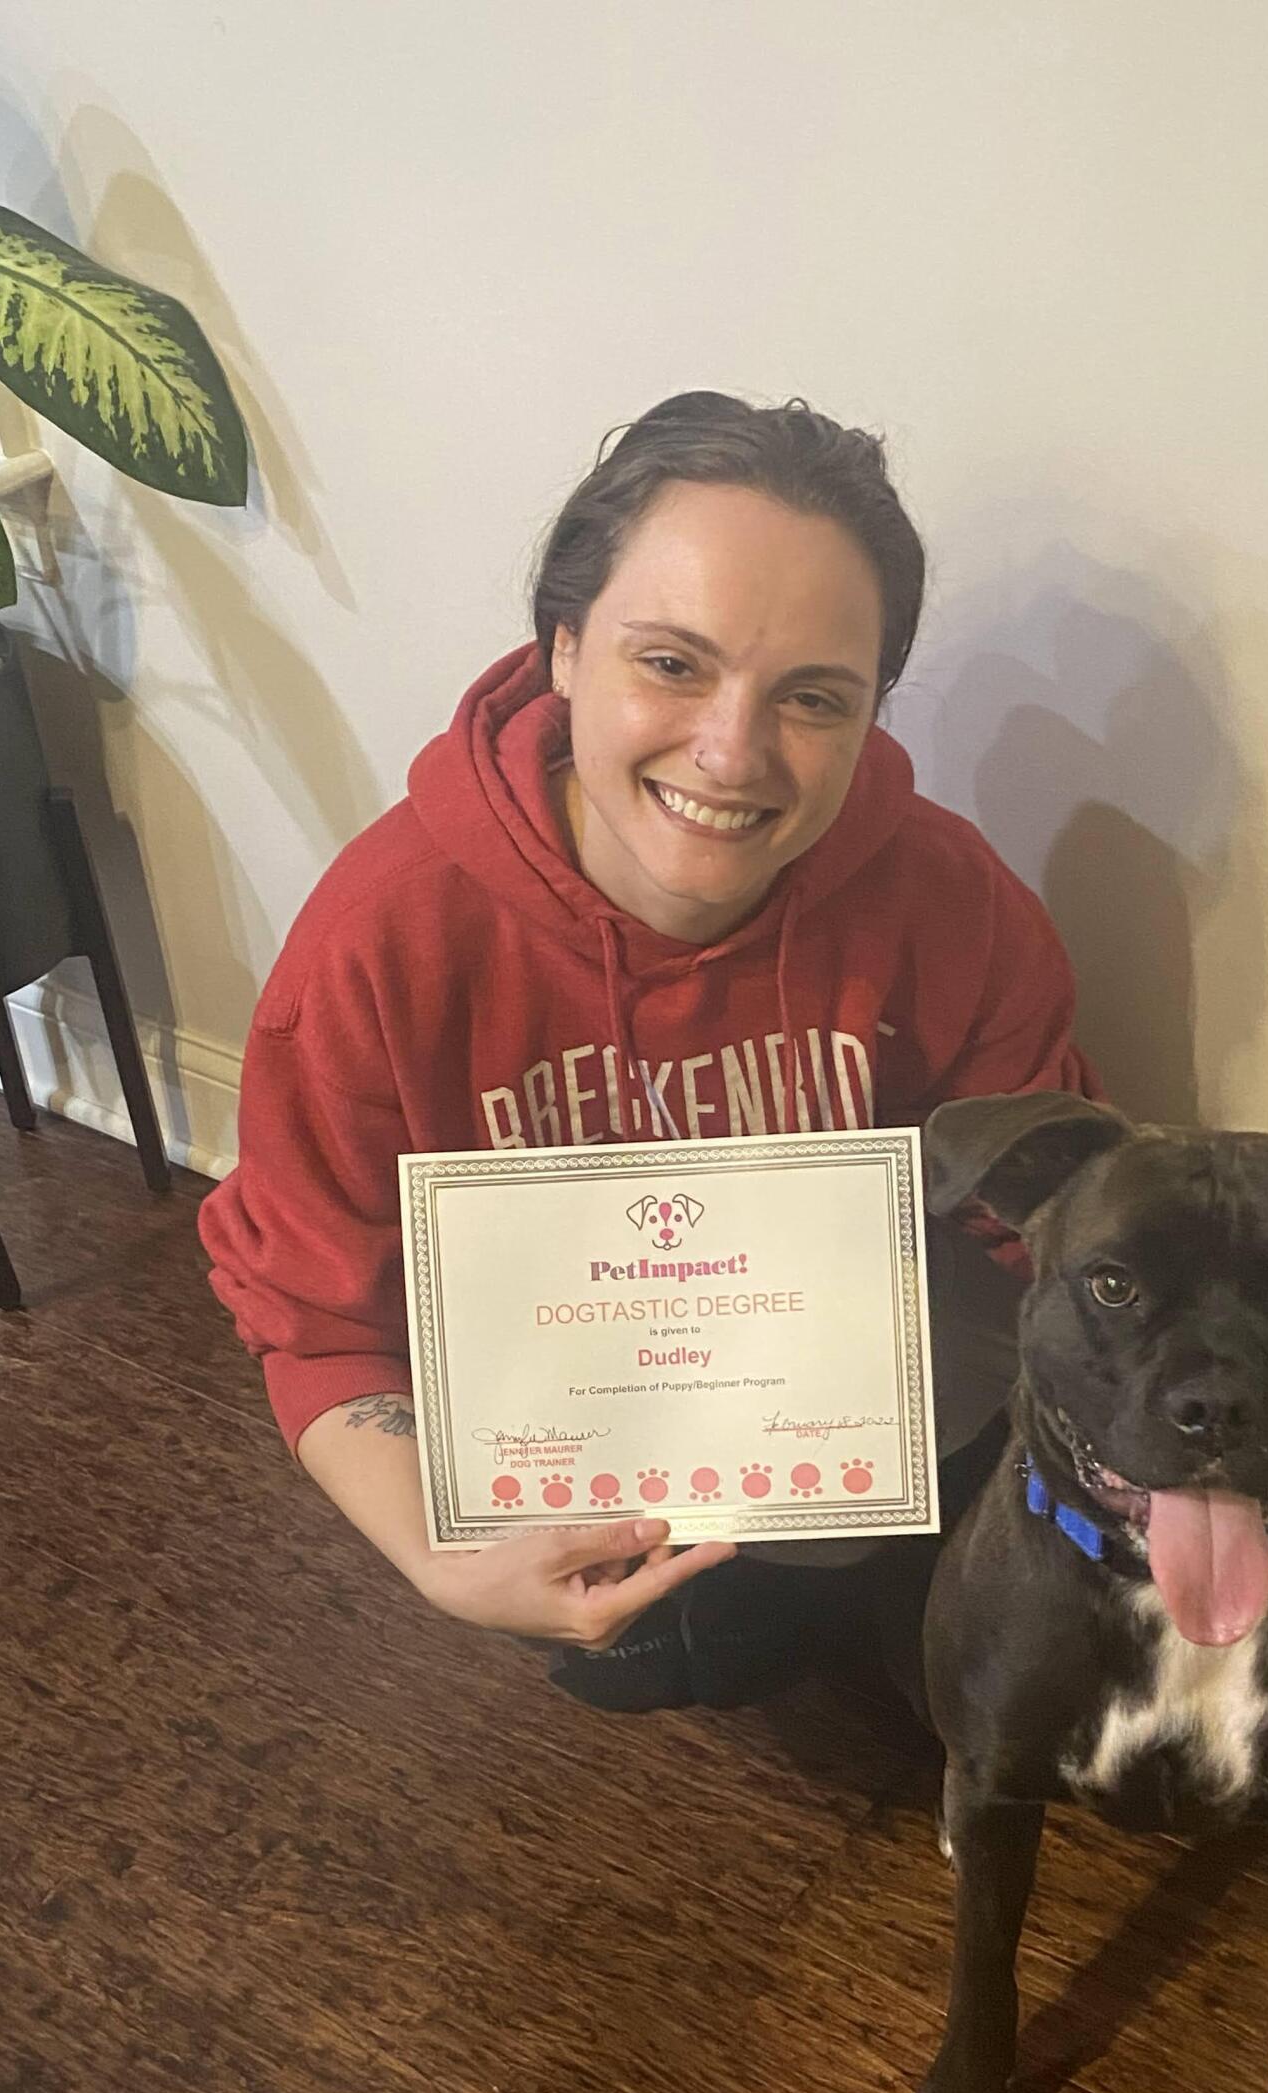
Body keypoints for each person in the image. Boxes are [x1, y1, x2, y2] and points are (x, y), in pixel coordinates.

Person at [200, 392, 1101, 1708]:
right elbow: (313, 1308)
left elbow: (1055, 1224)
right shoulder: (381, 945)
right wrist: (444, 1560)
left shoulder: (951, 907)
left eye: (811, 697)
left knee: (952, 1637)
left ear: (871, 712)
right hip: (571, 1435)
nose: (731, 753)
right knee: (649, 1668)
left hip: (847, 1401)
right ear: (563, 648)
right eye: (671, 664)